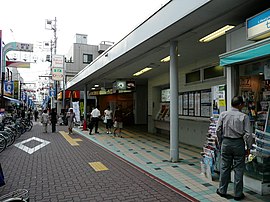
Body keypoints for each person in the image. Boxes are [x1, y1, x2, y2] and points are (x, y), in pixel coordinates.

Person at [216, 96, 253, 201]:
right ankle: (238, 194)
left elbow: (218, 130)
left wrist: (220, 141)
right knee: (238, 169)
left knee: (224, 167)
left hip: (226, 143)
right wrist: (249, 147)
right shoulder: (244, 116)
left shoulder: (223, 115)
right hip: (238, 143)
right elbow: (248, 134)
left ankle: (222, 191)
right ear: (240, 104)